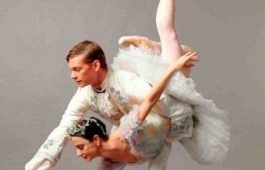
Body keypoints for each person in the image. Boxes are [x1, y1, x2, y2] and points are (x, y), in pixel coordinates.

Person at [25, 0, 229, 169]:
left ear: (95, 65)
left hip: (168, 100)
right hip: (151, 130)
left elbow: (154, 98)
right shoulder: (84, 95)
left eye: (76, 69)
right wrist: (38, 165)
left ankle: (152, 50)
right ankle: (152, 50)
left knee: (168, 33)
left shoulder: (124, 81)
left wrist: (174, 67)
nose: (72, 76)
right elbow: (65, 127)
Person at [69, 50, 198, 169]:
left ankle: (161, 45)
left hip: (172, 119)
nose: (78, 154)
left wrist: (173, 68)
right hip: (156, 148)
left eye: (80, 147)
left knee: (176, 92)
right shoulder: (109, 162)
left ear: (96, 140)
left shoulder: (127, 132)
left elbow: (151, 99)